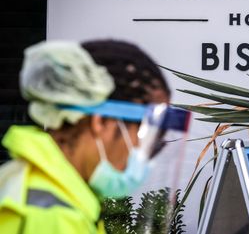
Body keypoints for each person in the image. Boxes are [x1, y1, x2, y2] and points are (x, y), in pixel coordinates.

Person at [0, 40, 171, 233]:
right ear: (102, 122)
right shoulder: (55, 217)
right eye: (147, 136)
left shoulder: (25, 184)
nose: (146, 157)